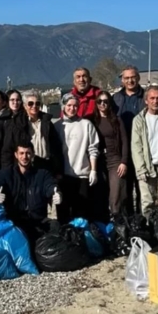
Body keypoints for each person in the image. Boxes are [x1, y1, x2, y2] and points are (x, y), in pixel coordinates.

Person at [0, 142, 61, 243]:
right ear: (16, 155)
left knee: (55, 227)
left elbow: (50, 186)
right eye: (21, 153)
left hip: (37, 219)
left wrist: (56, 194)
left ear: (32, 154)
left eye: (28, 153)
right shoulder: (6, 173)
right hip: (14, 222)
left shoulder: (42, 174)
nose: (24, 157)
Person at [54, 93, 100, 223]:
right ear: (63, 106)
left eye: (75, 106)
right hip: (63, 177)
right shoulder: (57, 126)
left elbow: (93, 148)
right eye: (69, 105)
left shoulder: (86, 124)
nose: (72, 108)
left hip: (82, 176)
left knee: (81, 215)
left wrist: (93, 170)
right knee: (63, 214)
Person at [1, 90, 63, 175]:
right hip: (25, 168)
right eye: (30, 103)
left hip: (46, 167)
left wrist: (58, 170)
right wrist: (7, 173)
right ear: (25, 105)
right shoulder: (16, 124)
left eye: (37, 103)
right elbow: (7, 150)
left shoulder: (47, 123)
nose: (34, 106)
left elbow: (56, 148)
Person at [112, 65, 145, 215]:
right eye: (126, 78)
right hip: (123, 150)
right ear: (122, 80)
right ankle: (128, 219)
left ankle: (142, 219)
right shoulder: (116, 99)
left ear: (138, 78)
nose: (130, 80)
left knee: (142, 188)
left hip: (143, 148)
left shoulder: (146, 96)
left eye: (133, 77)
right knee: (124, 188)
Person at [92, 91, 129, 216]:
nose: (103, 104)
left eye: (105, 101)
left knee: (116, 194)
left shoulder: (117, 120)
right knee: (99, 194)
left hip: (115, 160)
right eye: (100, 101)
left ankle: (117, 221)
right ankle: (102, 224)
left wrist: (124, 161)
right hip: (98, 161)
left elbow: (124, 141)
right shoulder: (92, 120)